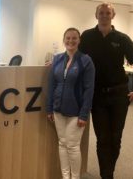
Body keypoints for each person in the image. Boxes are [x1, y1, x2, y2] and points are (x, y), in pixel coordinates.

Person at [79, 2, 133, 179]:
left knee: (115, 138)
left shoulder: (122, 38)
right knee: (102, 138)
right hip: (97, 95)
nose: (104, 15)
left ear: (113, 16)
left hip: (118, 94)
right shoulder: (87, 36)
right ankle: (106, 175)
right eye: (101, 13)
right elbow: (74, 56)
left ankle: (109, 172)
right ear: (96, 15)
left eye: (108, 13)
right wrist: (56, 62)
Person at [47, 27, 95, 179]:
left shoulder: (86, 60)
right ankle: (65, 177)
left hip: (76, 112)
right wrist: (49, 108)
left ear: (79, 40)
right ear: (64, 40)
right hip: (58, 109)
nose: (71, 41)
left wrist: (84, 114)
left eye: (74, 38)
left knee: (73, 146)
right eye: (68, 38)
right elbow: (51, 85)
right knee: (62, 143)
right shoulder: (58, 59)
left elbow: (89, 90)